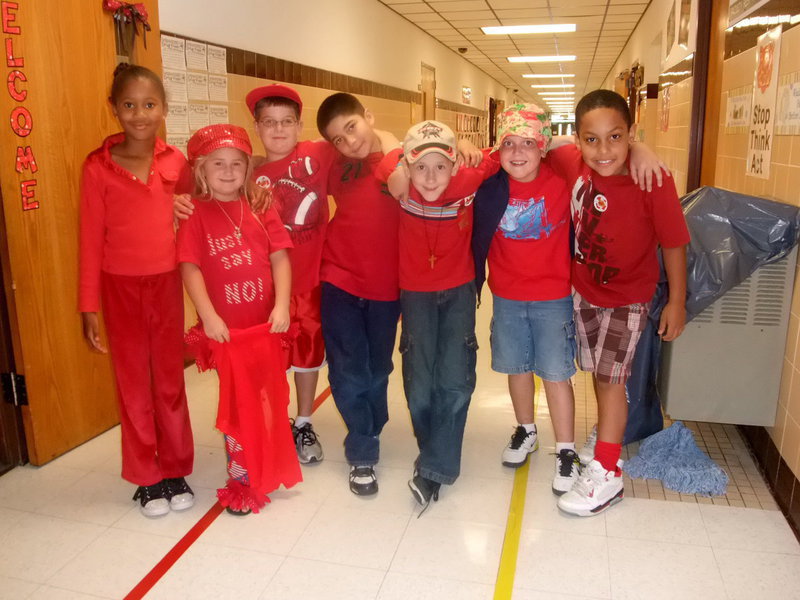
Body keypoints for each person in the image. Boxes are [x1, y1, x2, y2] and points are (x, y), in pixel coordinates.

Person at [548, 90, 690, 516]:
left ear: (631, 133)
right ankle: (606, 440)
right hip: (585, 291)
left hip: (628, 296)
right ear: (577, 139)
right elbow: (535, 146)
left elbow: (674, 243)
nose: (603, 149)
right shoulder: (571, 161)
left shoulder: (653, 178)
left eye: (616, 137)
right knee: (601, 374)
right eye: (591, 139)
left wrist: (677, 301)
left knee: (612, 381)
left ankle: (608, 473)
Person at [79, 64, 195, 518]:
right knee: (132, 384)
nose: (140, 114)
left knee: (168, 379)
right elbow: (89, 239)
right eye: (129, 105)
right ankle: (146, 477)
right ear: (114, 109)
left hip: (166, 282)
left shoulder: (176, 162)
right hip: (120, 287)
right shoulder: (98, 167)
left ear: (164, 109)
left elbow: (202, 209)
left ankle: (175, 468)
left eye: (149, 105)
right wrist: (88, 304)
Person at [177, 124, 300, 515]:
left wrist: (282, 306)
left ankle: (268, 461)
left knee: (270, 396)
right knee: (237, 402)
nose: (228, 171)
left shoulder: (261, 206)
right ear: (201, 169)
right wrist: (209, 317)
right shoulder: (195, 212)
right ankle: (242, 477)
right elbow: (190, 267)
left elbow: (280, 256)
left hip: (267, 326)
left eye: (236, 164)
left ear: (248, 169)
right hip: (227, 331)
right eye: (218, 164)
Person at [378, 120, 499, 512]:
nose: (430, 178)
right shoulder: (398, 179)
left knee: (455, 377)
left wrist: (468, 143)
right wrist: (396, 167)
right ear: (407, 166)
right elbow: (380, 147)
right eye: (420, 167)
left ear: (455, 166)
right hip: (414, 295)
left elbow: (522, 149)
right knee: (418, 381)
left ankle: (434, 468)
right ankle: (435, 450)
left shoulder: (470, 179)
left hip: (459, 293)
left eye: (441, 166)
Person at [471, 104, 580, 496]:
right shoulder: (493, 185)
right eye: (509, 144)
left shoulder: (561, 178)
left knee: (555, 372)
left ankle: (566, 449)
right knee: (517, 367)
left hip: (554, 297)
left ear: (544, 148)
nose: (517, 153)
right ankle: (526, 430)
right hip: (508, 297)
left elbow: (582, 148)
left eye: (528, 144)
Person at [244, 84, 338, 465]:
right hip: (266, 288)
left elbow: (365, 134)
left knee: (307, 357)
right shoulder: (247, 173)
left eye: (286, 122)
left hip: (310, 281)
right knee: (269, 358)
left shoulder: (318, 153)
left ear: (300, 126)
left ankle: (303, 421)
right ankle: (272, 422)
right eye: (269, 123)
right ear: (257, 126)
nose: (278, 130)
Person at [316, 93, 402, 496]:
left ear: (368, 116)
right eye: (338, 138)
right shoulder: (335, 164)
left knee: (378, 366)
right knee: (347, 368)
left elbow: (445, 154)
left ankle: (371, 423)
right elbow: (282, 164)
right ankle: (363, 450)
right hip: (338, 278)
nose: (348, 142)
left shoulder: (401, 157)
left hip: (387, 286)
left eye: (352, 127)